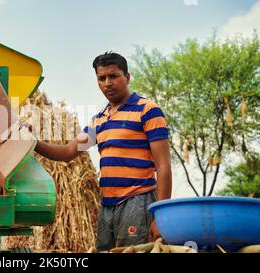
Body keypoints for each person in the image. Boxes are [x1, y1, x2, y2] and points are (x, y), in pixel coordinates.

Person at [34, 52, 172, 251]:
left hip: (137, 202)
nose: (107, 83)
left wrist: (161, 216)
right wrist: (34, 143)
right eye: (102, 78)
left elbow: (164, 165)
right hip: (107, 205)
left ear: (127, 77)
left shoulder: (147, 110)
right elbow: (68, 152)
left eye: (113, 76)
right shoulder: (100, 120)